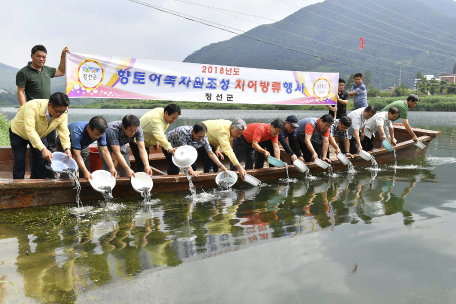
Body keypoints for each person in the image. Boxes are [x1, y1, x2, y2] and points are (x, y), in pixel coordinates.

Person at [16, 45, 70, 179]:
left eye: (44, 57)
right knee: (38, 147)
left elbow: (61, 71)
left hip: (51, 114)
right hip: (35, 114)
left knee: (50, 145)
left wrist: (63, 56)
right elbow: (20, 91)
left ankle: (49, 173)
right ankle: (35, 176)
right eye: (38, 56)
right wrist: (25, 108)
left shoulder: (47, 70)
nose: (41, 59)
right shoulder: (24, 72)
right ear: (32, 56)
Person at [9, 92, 71, 179]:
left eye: (63, 112)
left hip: (40, 134)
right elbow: (30, 130)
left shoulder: (62, 114)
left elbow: (64, 131)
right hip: (19, 133)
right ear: (49, 105)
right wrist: (43, 149)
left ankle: (37, 185)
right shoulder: (32, 106)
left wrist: (67, 148)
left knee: (41, 161)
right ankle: (18, 188)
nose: (60, 114)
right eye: (58, 112)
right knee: (19, 160)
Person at [56, 116, 117, 181]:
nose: (98, 137)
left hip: (83, 144)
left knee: (86, 165)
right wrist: (85, 171)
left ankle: (84, 183)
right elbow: (77, 155)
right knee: (67, 164)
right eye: (96, 135)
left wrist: (112, 167)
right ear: (88, 128)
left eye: (100, 135)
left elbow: (104, 151)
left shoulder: (100, 132)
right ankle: (65, 182)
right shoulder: (77, 132)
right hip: (64, 143)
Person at [164, 123, 229, 176]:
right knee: (175, 167)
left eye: (202, 136)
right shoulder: (183, 132)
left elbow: (211, 153)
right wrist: (191, 171)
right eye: (199, 136)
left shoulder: (204, 137)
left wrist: (221, 166)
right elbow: (184, 154)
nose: (200, 139)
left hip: (184, 149)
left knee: (193, 166)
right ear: (193, 132)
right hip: (169, 146)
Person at [131, 104, 181, 173]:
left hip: (146, 140)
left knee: (145, 163)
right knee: (143, 165)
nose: (174, 120)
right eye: (173, 118)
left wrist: (155, 141)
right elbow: (159, 134)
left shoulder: (163, 113)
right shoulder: (156, 120)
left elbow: (159, 130)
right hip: (136, 141)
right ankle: (141, 181)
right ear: (166, 113)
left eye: (176, 118)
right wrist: (170, 149)